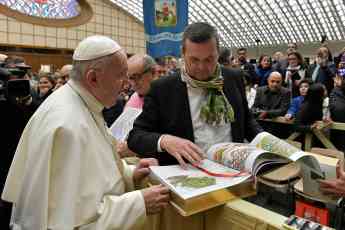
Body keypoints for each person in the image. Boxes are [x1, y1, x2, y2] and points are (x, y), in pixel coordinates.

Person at [1, 35, 170, 230]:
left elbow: (94, 173)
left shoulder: (82, 102)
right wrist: (139, 203)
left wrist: (130, 174)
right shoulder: (67, 126)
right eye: (121, 75)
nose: (127, 83)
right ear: (93, 78)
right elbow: (74, 223)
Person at [127, 22, 262, 167]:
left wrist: (267, 142)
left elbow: (247, 122)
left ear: (218, 53)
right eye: (194, 60)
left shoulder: (233, 78)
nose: (202, 67)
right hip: (188, 175)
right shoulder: (162, 89)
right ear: (183, 53)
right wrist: (165, 140)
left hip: (233, 170)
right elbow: (135, 137)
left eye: (209, 59)